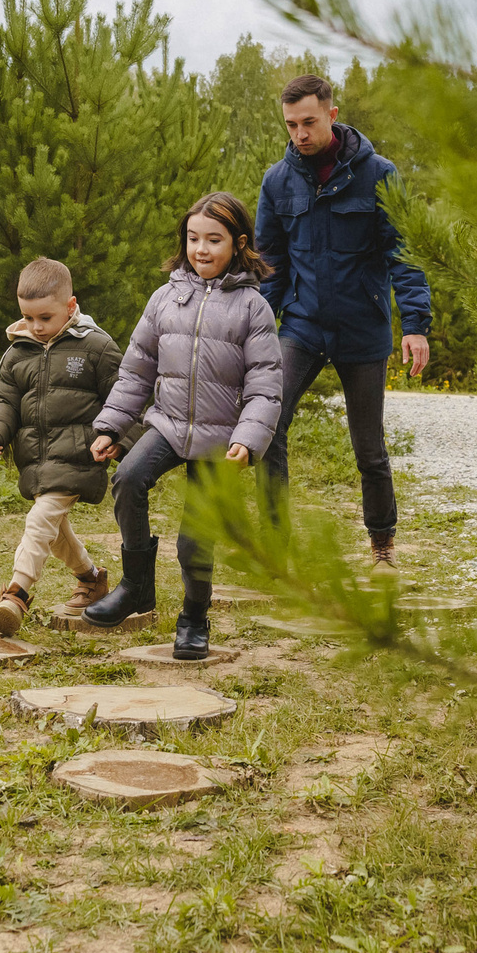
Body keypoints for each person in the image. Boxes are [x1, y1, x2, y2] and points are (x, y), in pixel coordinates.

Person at [82, 192, 284, 660]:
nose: (201, 249)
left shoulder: (253, 308)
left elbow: (265, 384)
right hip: (169, 425)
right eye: (194, 238)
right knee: (129, 478)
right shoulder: (165, 298)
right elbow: (137, 369)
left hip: (220, 439)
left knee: (196, 538)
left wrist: (248, 440)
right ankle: (136, 587)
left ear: (238, 244)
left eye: (214, 240)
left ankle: (194, 618)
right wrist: (111, 427)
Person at [256, 72, 433, 566]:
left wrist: (415, 325)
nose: (299, 134)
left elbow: (405, 252)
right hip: (303, 326)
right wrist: (253, 328)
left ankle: (382, 549)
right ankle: (276, 549)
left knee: (369, 449)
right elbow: (269, 264)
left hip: (362, 326)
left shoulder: (379, 173)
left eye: (308, 122)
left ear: (332, 115)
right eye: (291, 125)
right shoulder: (277, 181)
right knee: (267, 423)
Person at [0, 257, 121, 635]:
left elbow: (124, 397)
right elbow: (3, 401)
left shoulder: (96, 346)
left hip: (78, 453)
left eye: (45, 317)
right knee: (54, 530)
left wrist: (118, 437)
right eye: (28, 317)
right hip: (36, 458)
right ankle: (91, 578)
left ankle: (18, 592)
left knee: (40, 521)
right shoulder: (17, 352)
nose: (35, 327)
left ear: (71, 306)